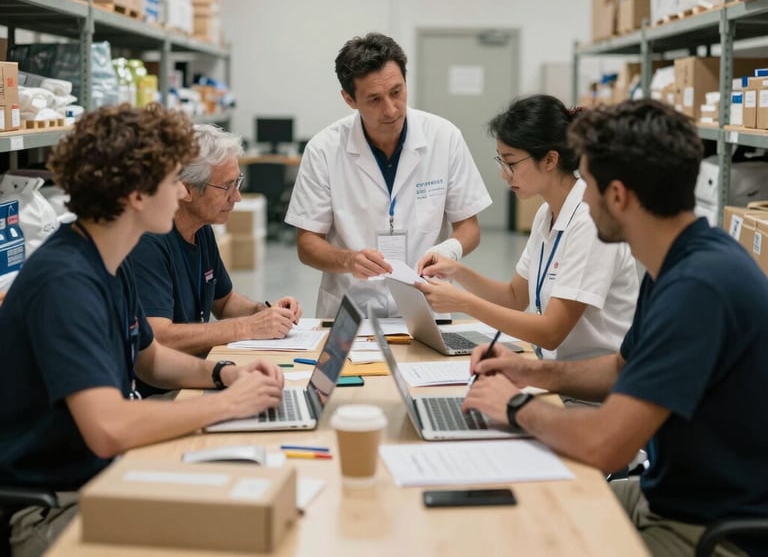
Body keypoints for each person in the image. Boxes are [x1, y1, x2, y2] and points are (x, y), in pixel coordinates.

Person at [462, 99, 768, 557]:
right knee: (522, 514)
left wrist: (517, 406)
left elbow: (606, 445)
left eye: (587, 181)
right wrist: (532, 374)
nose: (582, 196)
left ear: (619, 195)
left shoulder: (698, 288)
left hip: (711, 530)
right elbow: (623, 367)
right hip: (665, 495)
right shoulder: (675, 260)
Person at [0, 105, 285, 557]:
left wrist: (223, 375)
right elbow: (109, 427)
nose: (182, 191)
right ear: (137, 194)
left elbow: (147, 356)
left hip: (100, 475)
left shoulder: (107, 257)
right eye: (174, 178)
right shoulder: (66, 283)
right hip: (53, 510)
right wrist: (227, 405)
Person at [417, 94, 638, 363]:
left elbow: (551, 332)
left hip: (590, 389)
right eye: (501, 161)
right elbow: (513, 297)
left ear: (549, 160)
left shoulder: (589, 222)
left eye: (510, 163)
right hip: (556, 372)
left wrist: (462, 303)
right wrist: (455, 270)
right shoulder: (547, 214)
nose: (504, 174)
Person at [285, 32, 492, 317]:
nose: (391, 109)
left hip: (427, 306)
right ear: (349, 99)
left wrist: (449, 251)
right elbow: (307, 244)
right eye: (374, 99)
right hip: (351, 309)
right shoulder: (323, 149)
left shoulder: (445, 138)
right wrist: (349, 261)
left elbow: (469, 227)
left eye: (397, 92)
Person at [130, 124, 302, 395]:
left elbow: (225, 301)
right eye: (227, 186)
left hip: (194, 376)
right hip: (158, 393)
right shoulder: (149, 242)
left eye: (238, 182)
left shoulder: (201, 230)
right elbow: (158, 337)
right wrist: (247, 328)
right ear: (185, 189)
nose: (237, 197)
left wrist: (265, 312)